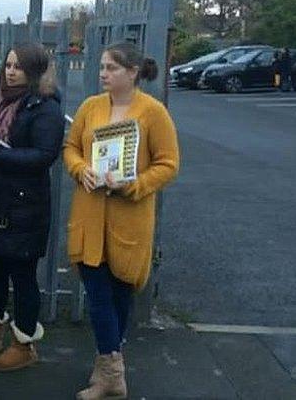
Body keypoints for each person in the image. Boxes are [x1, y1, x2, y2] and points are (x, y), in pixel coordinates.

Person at [63, 42, 180, 399]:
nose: (103, 74)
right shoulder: (90, 107)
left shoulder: (153, 112)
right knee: (97, 293)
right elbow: (71, 148)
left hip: (129, 217)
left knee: (120, 294)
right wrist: (81, 170)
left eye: (111, 68)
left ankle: (109, 369)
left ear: (132, 73)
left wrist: (135, 185)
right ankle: (113, 372)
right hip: (90, 214)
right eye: (102, 67)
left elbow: (168, 163)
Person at [0, 42, 65, 372]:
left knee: (22, 276)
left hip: (24, 205)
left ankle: (24, 344)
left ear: (34, 71)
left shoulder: (44, 106)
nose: (10, 71)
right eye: (7, 64)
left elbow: (44, 156)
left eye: (18, 66)